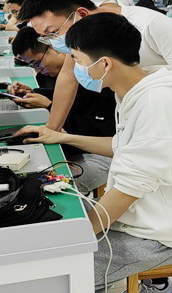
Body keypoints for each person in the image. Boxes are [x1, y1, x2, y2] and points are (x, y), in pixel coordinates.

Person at [18, 0, 172, 293]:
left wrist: (168, 115)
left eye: (53, 33)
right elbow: (124, 145)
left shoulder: (151, 38)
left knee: (62, 267)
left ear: (80, 16)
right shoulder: (131, 87)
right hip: (159, 127)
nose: (58, 48)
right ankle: (153, 286)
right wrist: (57, 134)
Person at [9, 26, 114, 192]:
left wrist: (48, 105)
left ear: (54, 48)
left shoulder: (95, 79)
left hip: (101, 152)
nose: (38, 70)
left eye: (37, 63)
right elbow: (75, 102)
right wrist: (35, 93)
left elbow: (94, 131)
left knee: (52, 189)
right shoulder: (72, 74)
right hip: (77, 145)